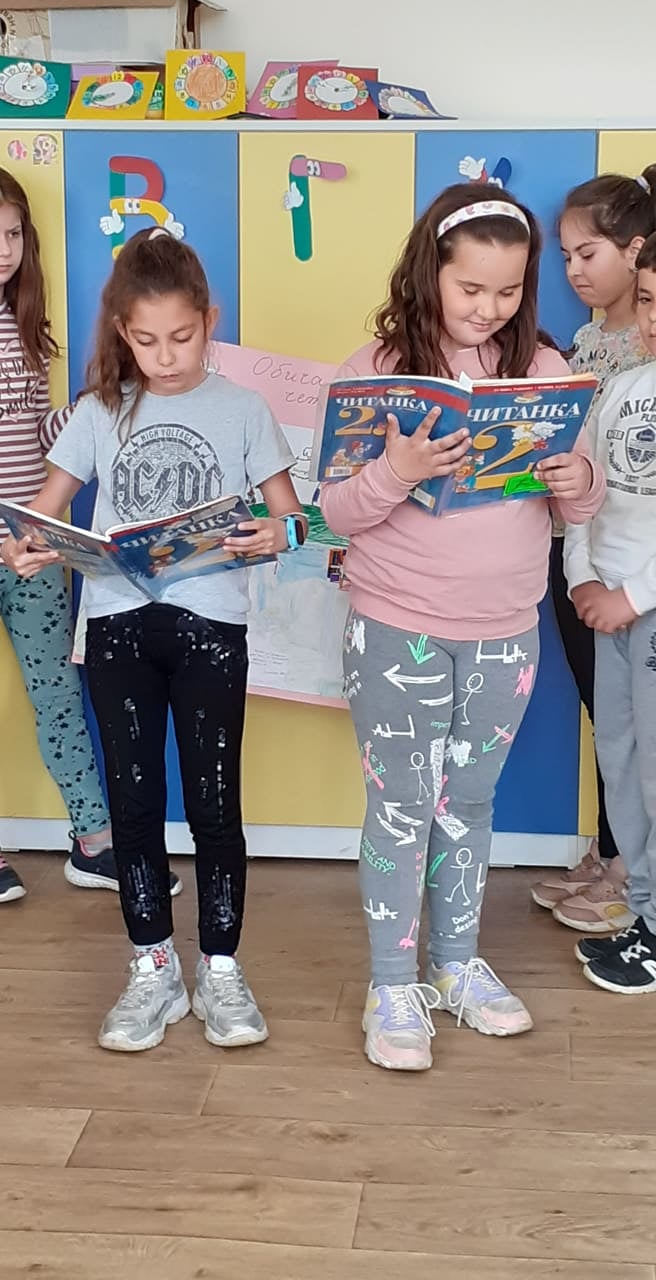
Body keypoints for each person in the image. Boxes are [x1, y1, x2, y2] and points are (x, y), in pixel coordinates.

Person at [320, 182, 605, 1071]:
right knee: (401, 808)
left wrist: (577, 482)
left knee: (468, 804)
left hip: (505, 632)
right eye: (470, 288)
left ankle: (453, 964)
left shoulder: (544, 369)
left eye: (509, 290)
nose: (489, 308)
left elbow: (579, 503)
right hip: (395, 625)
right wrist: (398, 469)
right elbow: (335, 513)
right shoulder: (377, 371)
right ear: (429, 273)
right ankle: (391, 982)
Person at [1, 227, 304, 1051]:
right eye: (145, 340)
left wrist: (277, 533)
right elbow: (45, 508)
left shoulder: (242, 409)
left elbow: (293, 519)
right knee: (134, 806)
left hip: (212, 628)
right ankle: (153, 967)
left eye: (182, 337)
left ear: (210, 321)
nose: (165, 358)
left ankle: (221, 969)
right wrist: (25, 545)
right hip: (116, 628)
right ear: (121, 333)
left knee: (215, 806)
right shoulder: (101, 409)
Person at [0, 168, 174, 902]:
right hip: (14, 540)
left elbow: (38, 438)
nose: (3, 249)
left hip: (34, 544)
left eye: (12, 234)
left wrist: (88, 410)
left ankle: (93, 843)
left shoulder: (24, 331)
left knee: (58, 693)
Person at [531, 170, 655, 933]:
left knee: (636, 728)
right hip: (579, 552)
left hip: (632, 572)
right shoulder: (585, 344)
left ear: (636, 252)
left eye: (589, 253)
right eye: (566, 256)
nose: (574, 270)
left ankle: (629, 871)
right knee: (605, 717)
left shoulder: (640, 353)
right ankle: (615, 854)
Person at [565, 229, 656, 992]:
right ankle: (646, 915)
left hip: (644, 608)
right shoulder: (623, 389)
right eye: (649, 301)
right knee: (622, 763)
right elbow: (582, 496)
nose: (653, 319)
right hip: (608, 607)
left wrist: (634, 596)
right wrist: (583, 581)